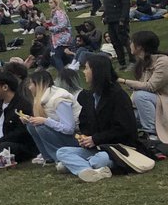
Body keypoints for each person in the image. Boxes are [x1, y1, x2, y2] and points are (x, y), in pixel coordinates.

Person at [54, 53, 139, 182]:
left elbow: (124, 129)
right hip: (97, 147)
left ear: (97, 71)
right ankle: (90, 170)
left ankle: (80, 166)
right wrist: (86, 138)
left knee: (100, 159)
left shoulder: (117, 96)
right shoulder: (90, 96)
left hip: (118, 147)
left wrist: (95, 138)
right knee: (62, 152)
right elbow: (86, 123)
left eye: (87, 68)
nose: (84, 72)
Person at [21, 68, 81, 164]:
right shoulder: (45, 98)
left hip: (79, 138)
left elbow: (69, 129)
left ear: (39, 84)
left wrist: (45, 121)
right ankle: (48, 157)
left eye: (31, 84)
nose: (29, 87)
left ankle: (61, 158)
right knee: (32, 126)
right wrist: (31, 120)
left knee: (41, 127)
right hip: (67, 136)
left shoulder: (59, 99)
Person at [124, 29, 168, 142]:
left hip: (164, 102)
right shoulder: (142, 63)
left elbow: (150, 87)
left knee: (141, 96)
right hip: (155, 103)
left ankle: (153, 134)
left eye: (132, 42)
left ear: (139, 47)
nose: (130, 45)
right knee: (122, 115)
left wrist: (124, 81)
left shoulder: (163, 61)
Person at [101, 0, 132, 68]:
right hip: (110, 20)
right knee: (114, 41)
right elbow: (107, 6)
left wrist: (123, 18)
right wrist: (104, 17)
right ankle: (122, 63)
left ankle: (133, 61)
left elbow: (126, 4)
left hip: (120, 19)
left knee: (124, 40)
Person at [46, 0, 73, 70]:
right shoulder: (55, 12)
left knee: (56, 56)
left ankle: (63, 74)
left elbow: (63, 25)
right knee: (58, 55)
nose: (49, 4)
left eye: (51, 2)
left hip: (62, 37)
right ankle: (68, 68)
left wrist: (50, 28)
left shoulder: (59, 12)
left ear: (56, 3)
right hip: (58, 37)